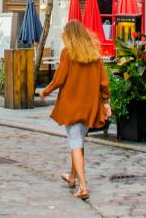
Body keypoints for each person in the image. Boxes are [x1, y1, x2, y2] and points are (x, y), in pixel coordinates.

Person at [39, 20, 110, 202]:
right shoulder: (94, 55)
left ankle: (83, 186)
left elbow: (59, 78)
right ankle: (72, 177)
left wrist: (45, 91)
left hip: (72, 105)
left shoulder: (68, 53)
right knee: (78, 142)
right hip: (90, 106)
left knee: (75, 143)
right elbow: (104, 82)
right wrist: (106, 101)